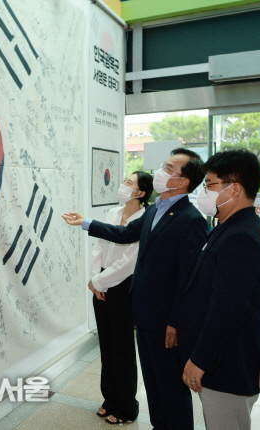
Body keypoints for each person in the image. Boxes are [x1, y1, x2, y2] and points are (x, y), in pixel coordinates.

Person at [63, 148, 208, 430]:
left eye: (168, 168)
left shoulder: (191, 220)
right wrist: (86, 223)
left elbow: (188, 279)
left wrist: (175, 322)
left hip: (167, 321)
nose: (160, 172)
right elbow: (126, 234)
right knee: (153, 383)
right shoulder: (155, 210)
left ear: (182, 182)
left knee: (170, 386)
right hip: (144, 314)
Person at [177, 149, 260, 430]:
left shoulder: (242, 238)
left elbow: (227, 311)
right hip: (221, 360)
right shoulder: (226, 227)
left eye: (209, 184)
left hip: (229, 364)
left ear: (235, 189)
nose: (203, 191)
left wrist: (199, 359)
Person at [87, 171, 153, 425]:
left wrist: (101, 281)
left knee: (123, 348)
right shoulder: (114, 213)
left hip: (123, 286)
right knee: (107, 345)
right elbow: (99, 247)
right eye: (125, 181)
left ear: (140, 193)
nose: (123, 186)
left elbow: (130, 262)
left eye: (129, 183)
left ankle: (126, 406)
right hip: (100, 284)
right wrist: (95, 279)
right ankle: (109, 399)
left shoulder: (143, 218)